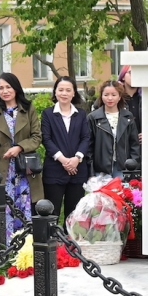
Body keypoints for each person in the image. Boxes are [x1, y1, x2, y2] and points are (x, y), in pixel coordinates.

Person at [0, 72, 41, 240]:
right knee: (6, 210)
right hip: (4, 171)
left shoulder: (28, 109)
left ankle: (26, 250)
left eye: (8, 87)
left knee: (25, 208)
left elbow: (37, 137)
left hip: (25, 169)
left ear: (16, 88)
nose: (5, 91)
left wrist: (20, 147)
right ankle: (7, 251)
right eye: (1, 88)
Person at [40, 77, 92, 218]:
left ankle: (69, 239)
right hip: (54, 169)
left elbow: (86, 138)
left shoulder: (81, 114)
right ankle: (52, 239)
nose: (64, 93)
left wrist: (77, 158)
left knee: (74, 213)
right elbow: (46, 139)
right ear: (55, 92)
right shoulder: (48, 114)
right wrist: (63, 160)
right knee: (52, 211)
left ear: (74, 93)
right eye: (61, 90)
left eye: (68, 90)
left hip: (78, 170)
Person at [88, 81, 141, 178]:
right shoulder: (93, 118)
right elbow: (89, 146)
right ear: (101, 96)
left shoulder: (127, 116)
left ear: (119, 96)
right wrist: (91, 170)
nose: (110, 98)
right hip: (101, 169)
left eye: (113, 95)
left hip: (123, 167)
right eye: (106, 95)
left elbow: (134, 144)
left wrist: (133, 165)